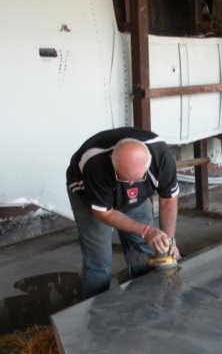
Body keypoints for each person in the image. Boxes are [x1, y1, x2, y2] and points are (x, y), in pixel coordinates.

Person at [66, 127, 181, 298]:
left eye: (137, 179)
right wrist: (146, 231)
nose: (131, 185)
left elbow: (168, 201)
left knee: (144, 247)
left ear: (148, 163)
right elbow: (104, 214)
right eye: (125, 179)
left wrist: (169, 240)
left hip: (138, 195)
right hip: (90, 194)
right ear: (113, 161)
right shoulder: (96, 165)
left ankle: (146, 302)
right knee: (99, 261)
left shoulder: (161, 157)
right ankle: (98, 314)